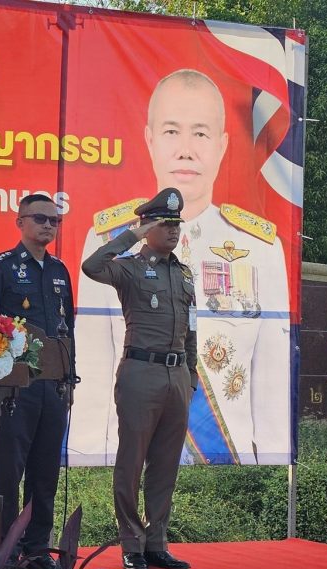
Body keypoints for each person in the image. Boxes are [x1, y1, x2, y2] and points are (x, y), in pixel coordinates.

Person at [73, 68, 290, 466]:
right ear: (150, 139)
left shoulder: (261, 248)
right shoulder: (108, 241)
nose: (186, 150)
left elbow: (272, 384)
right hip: (134, 449)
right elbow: (92, 374)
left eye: (201, 133)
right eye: (172, 131)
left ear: (222, 145)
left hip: (229, 465)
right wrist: (88, 462)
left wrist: (270, 468)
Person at [82, 187, 195, 569]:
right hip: (140, 373)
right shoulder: (130, 267)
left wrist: (191, 376)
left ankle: (157, 543)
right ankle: (132, 542)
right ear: (148, 226)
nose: (173, 230)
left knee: (166, 465)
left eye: (177, 224)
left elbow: (191, 331)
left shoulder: (184, 273)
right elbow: (92, 266)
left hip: (177, 375)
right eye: (165, 224)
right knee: (131, 462)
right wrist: (132, 234)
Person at [0, 193, 74, 569]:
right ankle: (6, 550)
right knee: (8, 472)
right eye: (40, 218)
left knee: (45, 473)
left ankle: (37, 549)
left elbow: (67, 330)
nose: (48, 225)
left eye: (54, 220)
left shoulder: (59, 271)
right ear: (20, 222)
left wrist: (68, 378)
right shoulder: (1, 267)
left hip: (53, 386)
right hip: (16, 387)